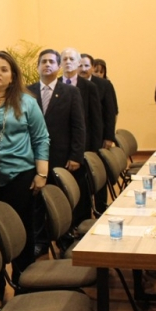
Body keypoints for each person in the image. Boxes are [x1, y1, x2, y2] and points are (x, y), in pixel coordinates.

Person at [0, 50, 50, 309]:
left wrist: (41, 174)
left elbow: (41, 138)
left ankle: (24, 285)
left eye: (4, 69)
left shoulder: (26, 102)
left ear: (12, 77)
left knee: (22, 233)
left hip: (20, 177)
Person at [27, 49, 85, 257]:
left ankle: (65, 238)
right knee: (37, 202)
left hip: (62, 157)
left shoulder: (70, 92)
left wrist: (76, 155)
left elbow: (78, 126)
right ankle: (40, 242)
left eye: (52, 61)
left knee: (62, 199)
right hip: (33, 158)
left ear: (58, 67)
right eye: (43, 61)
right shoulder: (27, 92)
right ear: (37, 67)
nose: (47, 65)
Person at [60, 48, 102, 227]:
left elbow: (95, 119)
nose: (68, 62)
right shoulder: (56, 86)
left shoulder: (89, 87)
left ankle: (81, 223)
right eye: (65, 59)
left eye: (72, 59)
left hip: (83, 147)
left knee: (81, 188)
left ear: (78, 63)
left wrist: (94, 150)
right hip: (61, 147)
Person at [80, 53, 117, 149]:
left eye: (86, 66)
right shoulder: (70, 84)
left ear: (92, 67)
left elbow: (110, 113)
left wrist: (109, 137)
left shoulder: (104, 85)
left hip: (97, 134)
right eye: (80, 66)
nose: (83, 69)